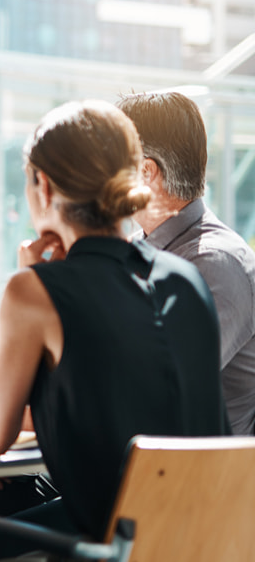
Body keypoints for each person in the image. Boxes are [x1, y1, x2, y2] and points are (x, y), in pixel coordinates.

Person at [0, 100, 229, 562]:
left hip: (117, 541)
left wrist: (29, 280)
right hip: (214, 530)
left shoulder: (37, 291)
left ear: (42, 185)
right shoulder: (185, 278)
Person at [118, 91, 255, 436]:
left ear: (145, 172)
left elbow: (151, 394)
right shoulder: (135, 250)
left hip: (174, 482)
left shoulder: (214, 266)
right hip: (111, 461)